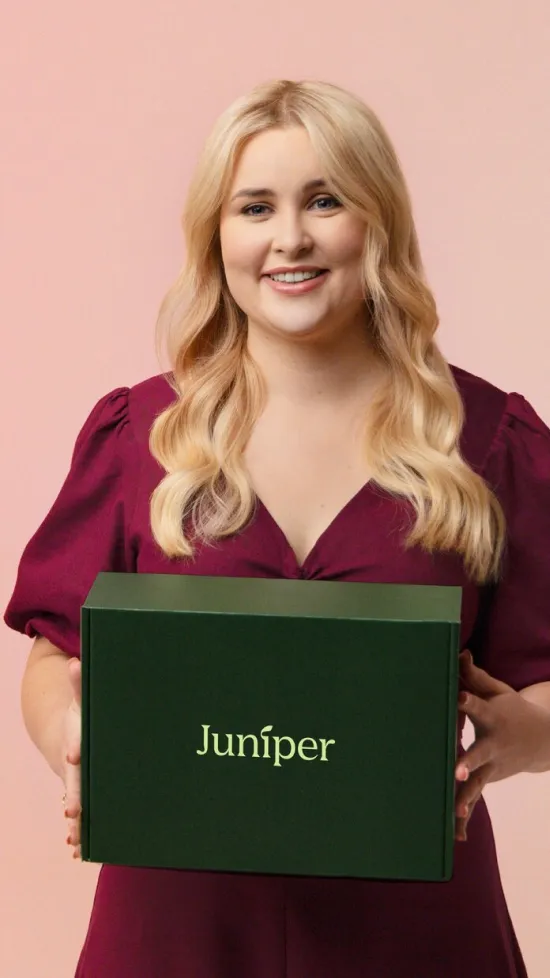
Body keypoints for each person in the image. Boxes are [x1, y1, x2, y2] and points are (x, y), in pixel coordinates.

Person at [4, 78, 550, 978]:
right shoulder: (137, 436)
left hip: (417, 930)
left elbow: (540, 684)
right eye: (255, 206)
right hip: (174, 925)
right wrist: (70, 731)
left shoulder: (490, 441)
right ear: (217, 237)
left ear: (378, 222)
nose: (289, 237)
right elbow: (52, 654)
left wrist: (519, 737)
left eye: (324, 200)